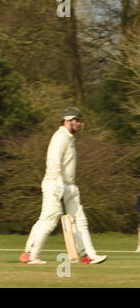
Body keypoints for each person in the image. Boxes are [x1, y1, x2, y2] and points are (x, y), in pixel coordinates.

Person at [19, 107, 107, 264]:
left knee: (80, 220)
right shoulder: (60, 136)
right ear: (68, 120)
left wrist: (67, 184)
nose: (80, 124)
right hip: (54, 183)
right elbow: (54, 158)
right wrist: (58, 180)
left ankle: (88, 255)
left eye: (80, 121)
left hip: (69, 185)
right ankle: (31, 254)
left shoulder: (69, 138)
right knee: (49, 220)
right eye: (78, 121)